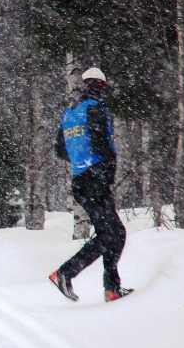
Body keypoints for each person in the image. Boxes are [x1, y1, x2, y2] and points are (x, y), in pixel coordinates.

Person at [51, 67, 132, 302]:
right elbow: (100, 142)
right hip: (95, 179)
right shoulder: (96, 108)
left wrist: (79, 160)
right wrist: (107, 164)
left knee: (112, 233)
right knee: (113, 234)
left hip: (81, 181)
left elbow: (59, 149)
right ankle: (67, 274)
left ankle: (111, 287)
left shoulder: (70, 114)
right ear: (100, 86)